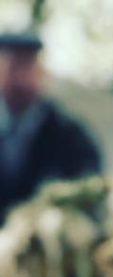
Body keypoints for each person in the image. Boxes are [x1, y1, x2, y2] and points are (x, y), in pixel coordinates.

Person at [0, 29, 102, 221]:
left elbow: (88, 189)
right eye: (13, 67)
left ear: (41, 72)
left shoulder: (70, 137)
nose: (20, 79)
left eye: (27, 66)